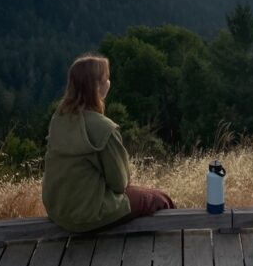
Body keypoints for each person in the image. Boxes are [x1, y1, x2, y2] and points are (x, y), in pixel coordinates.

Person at [42, 53, 175, 232]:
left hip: (59, 211)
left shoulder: (59, 119)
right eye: (106, 79)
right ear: (97, 87)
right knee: (160, 199)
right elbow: (120, 183)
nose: (109, 82)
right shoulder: (105, 128)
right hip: (89, 214)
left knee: (141, 195)